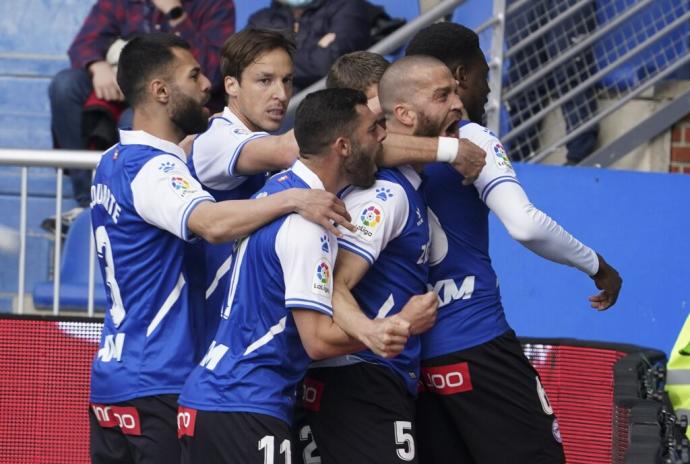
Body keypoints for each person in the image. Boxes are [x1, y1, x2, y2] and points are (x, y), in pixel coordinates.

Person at [88, 33, 351, 464]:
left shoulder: (113, 160)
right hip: (162, 377)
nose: (205, 83)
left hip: (114, 378)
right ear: (160, 91)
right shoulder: (155, 168)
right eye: (193, 75)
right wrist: (291, 199)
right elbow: (210, 225)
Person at [405, 22, 622, 463]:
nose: (487, 90)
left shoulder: (381, 145)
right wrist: (598, 266)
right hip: (477, 343)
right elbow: (524, 225)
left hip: (412, 359)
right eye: (485, 75)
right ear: (462, 76)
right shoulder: (470, 138)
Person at [187, 32, 484, 349]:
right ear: (231, 85)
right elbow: (315, 145)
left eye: (287, 81)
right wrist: (449, 150)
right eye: (265, 81)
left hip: (249, 334)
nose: (281, 94)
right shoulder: (217, 140)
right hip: (217, 334)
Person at [177, 88, 419, 463]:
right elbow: (318, 342)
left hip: (210, 400)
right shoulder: (308, 224)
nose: (383, 137)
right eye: (373, 129)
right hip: (247, 404)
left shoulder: (275, 192)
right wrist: (398, 325)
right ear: (343, 146)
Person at [297, 55, 463, 464]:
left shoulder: (402, 187)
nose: (456, 106)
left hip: (366, 378)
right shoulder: (385, 194)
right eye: (377, 123)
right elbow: (333, 284)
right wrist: (397, 325)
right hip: (358, 379)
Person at [46, 0, 235, 233]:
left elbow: (212, 72)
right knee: (66, 85)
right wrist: (96, 65)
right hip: (119, 89)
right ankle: (87, 203)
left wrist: (175, 14)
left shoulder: (215, 5)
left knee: (133, 121)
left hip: (171, 101)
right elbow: (84, 43)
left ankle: (130, 205)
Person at [247, 0, 371, 92]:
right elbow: (249, 67)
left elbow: (328, 64)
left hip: (336, 107)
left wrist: (271, 62)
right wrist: (317, 50)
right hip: (282, 117)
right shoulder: (259, 21)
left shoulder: (347, 6)